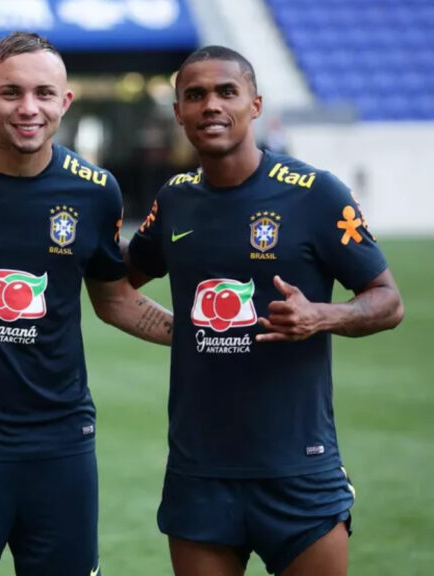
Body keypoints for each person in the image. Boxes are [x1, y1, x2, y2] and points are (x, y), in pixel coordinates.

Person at [0, 31, 173, 576]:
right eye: (11, 93)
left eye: (44, 93)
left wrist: (200, 335)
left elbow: (115, 299)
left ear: (64, 101)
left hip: (60, 444)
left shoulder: (96, 191)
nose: (29, 108)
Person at [126, 45, 405, 576]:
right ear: (179, 112)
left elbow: (387, 300)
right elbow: (121, 278)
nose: (211, 105)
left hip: (299, 469)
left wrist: (320, 316)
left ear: (254, 104)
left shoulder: (316, 194)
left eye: (226, 92)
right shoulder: (175, 199)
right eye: (195, 95)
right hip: (200, 473)